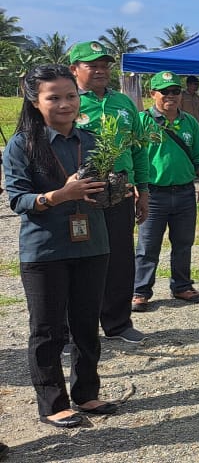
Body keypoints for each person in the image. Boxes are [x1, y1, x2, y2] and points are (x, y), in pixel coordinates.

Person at [3, 64, 118, 428]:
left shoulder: (93, 141)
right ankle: (53, 403)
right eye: (54, 98)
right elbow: (18, 200)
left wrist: (113, 190)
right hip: (46, 250)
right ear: (35, 101)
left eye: (71, 96)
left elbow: (103, 187)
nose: (65, 104)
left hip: (92, 244)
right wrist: (60, 195)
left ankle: (86, 393)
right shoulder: (23, 145)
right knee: (49, 329)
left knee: (86, 324)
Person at [70, 40, 150, 344]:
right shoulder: (69, 101)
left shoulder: (123, 103)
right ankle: (74, 329)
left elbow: (138, 149)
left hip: (120, 193)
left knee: (120, 259)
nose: (100, 70)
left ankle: (117, 323)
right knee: (79, 261)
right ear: (74, 69)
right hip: (81, 194)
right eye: (92, 65)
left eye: (104, 65)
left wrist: (143, 190)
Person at [132, 72, 199, 312]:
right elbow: (131, 156)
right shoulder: (142, 121)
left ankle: (182, 286)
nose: (171, 96)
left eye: (175, 91)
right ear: (152, 94)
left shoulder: (189, 122)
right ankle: (140, 291)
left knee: (183, 243)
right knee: (148, 246)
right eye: (164, 91)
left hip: (185, 192)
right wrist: (136, 188)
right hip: (152, 194)